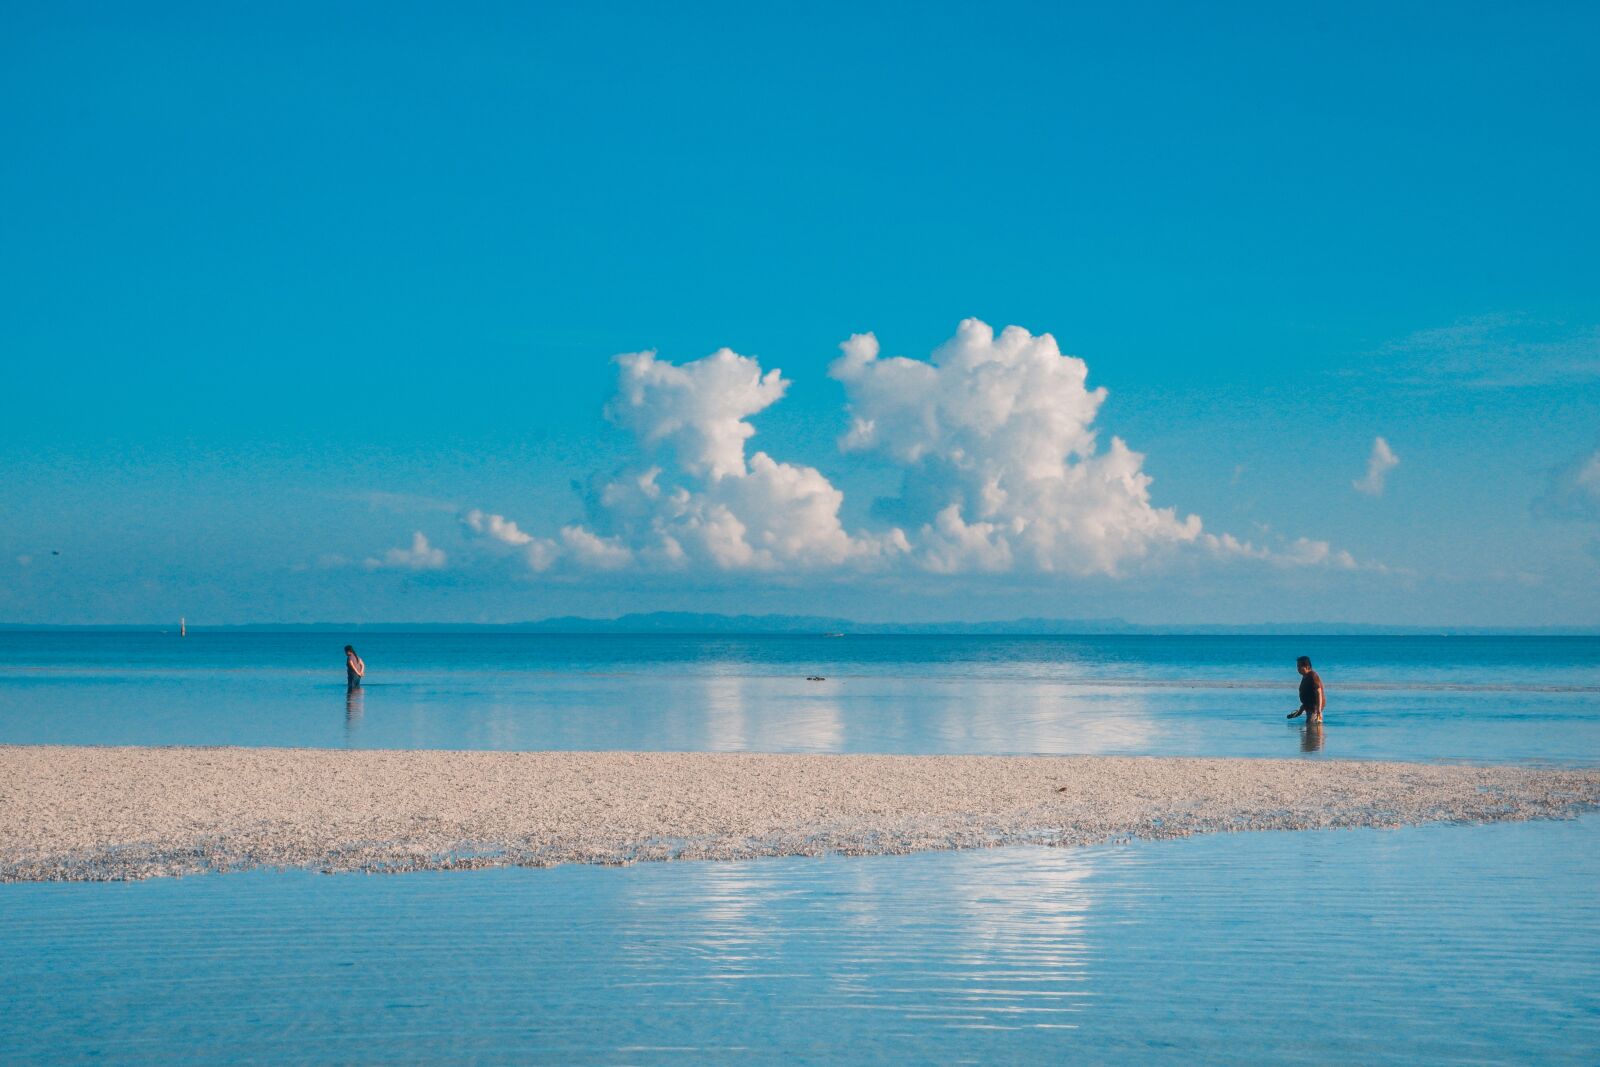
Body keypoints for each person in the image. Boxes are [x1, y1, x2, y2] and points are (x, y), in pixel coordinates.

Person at [1287, 655, 1323, 722]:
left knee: (1311, 727)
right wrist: (1299, 712)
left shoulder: (1313, 676)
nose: (1298, 669)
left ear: (1307, 667)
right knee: (1309, 729)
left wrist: (1319, 710)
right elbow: (1308, 697)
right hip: (1308, 707)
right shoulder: (1305, 676)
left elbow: (1319, 692)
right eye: (1297, 667)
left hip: (1314, 710)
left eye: (1300, 666)